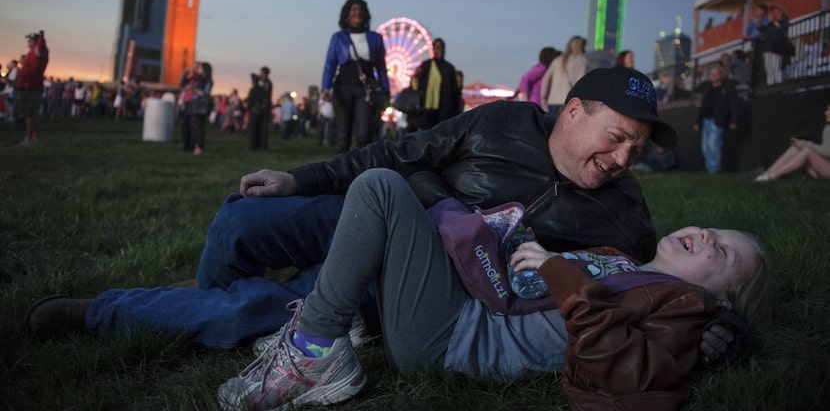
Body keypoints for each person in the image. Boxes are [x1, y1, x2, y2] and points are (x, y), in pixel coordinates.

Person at [26, 67, 741, 368]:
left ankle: (120, 315)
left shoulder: (623, 211)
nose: (622, 159)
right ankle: (207, 305)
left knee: (272, 306)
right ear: (573, 111)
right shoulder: (500, 124)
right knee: (243, 220)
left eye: (636, 151)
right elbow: (399, 152)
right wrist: (296, 176)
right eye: (615, 138)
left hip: (424, 276)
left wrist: (713, 326)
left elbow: (654, 285)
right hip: (368, 212)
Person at [216, 168, 770, 410]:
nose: (704, 235)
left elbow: (620, 366)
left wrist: (559, 270)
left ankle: (315, 351)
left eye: (721, 252)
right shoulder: (623, 263)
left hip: (455, 340)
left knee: (380, 190)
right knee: (397, 203)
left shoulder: (678, 308)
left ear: (719, 300)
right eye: (712, 230)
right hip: (465, 309)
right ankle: (336, 325)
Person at [320, 0, 389, 153]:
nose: (358, 12)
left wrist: (385, 90)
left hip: (366, 89)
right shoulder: (338, 37)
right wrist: (325, 87)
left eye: (361, 9)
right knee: (343, 134)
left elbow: (382, 67)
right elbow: (330, 63)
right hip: (342, 87)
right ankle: (340, 172)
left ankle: (362, 172)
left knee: (364, 134)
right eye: (354, 10)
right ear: (347, 15)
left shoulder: (375, 37)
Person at [754, 103, 830, 181]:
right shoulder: (827, 128)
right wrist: (802, 145)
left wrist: (804, 144)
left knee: (807, 151)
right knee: (796, 148)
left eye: (829, 110)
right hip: (823, 168)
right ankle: (767, 173)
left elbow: (827, 152)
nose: (826, 113)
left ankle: (772, 176)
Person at [693, 66, 740, 173]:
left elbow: (734, 105)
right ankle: (709, 168)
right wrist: (698, 121)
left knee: (713, 144)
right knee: (705, 146)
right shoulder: (708, 88)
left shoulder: (727, 88)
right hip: (706, 120)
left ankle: (714, 169)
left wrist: (734, 120)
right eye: (711, 74)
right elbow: (702, 106)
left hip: (717, 120)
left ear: (721, 75)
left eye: (715, 74)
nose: (713, 76)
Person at [409, 38, 462, 131]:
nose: (440, 50)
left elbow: (455, 91)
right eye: (437, 48)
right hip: (426, 109)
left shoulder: (449, 68)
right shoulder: (426, 65)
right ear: (433, 49)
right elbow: (416, 85)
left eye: (442, 48)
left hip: (444, 109)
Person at [539, 35, 587, 116]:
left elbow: (545, 80)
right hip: (569, 102)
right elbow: (580, 82)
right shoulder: (583, 61)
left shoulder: (558, 60)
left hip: (553, 102)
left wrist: (543, 101)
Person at [16, 31, 49, 145]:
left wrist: (41, 39)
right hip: (30, 87)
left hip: (31, 88)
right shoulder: (32, 53)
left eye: (30, 40)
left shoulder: (38, 51)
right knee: (31, 114)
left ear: (35, 41)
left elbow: (40, 49)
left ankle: (29, 138)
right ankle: (34, 137)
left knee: (29, 115)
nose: (28, 42)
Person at [180, 62, 214, 155]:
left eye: (200, 68)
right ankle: (189, 146)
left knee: (198, 127)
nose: (198, 69)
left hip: (200, 106)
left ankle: (198, 146)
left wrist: (193, 90)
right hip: (193, 104)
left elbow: (205, 93)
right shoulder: (198, 79)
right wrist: (186, 72)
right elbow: (183, 84)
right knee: (188, 126)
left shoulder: (208, 81)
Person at [743, 4, 769, 88]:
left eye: (757, 10)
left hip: (762, 44)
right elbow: (747, 33)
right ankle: (752, 82)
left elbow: (765, 32)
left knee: (761, 64)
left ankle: (762, 82)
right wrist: (750, 23)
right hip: (754, 44)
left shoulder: (766, 20)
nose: (755, 12)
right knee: (753, 64)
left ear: (763, 11)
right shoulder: (754, 21)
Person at [245, 74, 270, 150]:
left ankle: (253, 146)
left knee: (253, 129)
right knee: (259, 129)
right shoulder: (263, 90)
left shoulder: (253, 90)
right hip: (262, 112)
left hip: (254, 112)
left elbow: (250, 101)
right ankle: (259, 145)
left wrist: (248, 108)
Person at [258, 67, 273, 149]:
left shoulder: (267, 83)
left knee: (264, 126)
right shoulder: (263, 82)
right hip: (263, 106)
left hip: (264, 107)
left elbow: (265, 95)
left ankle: (263, 144)